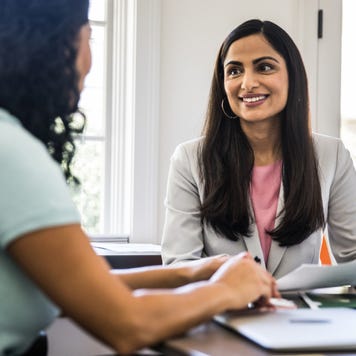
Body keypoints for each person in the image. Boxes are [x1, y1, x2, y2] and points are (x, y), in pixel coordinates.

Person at [0, 3, 280, 355]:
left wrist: (192, 273)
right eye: (90, 37)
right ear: (57, 46)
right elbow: (129, 323)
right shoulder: (12, 155)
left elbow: (82, 287)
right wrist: (226, 290)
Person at [161, 19, 356, 279]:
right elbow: (179, 267)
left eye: (264, 67)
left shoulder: (332, 155)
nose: (247, 83)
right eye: (234, 71)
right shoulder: (189, 160)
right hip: (222, 313)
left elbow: (353, 257)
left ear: (292, 77)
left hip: (301, 317)